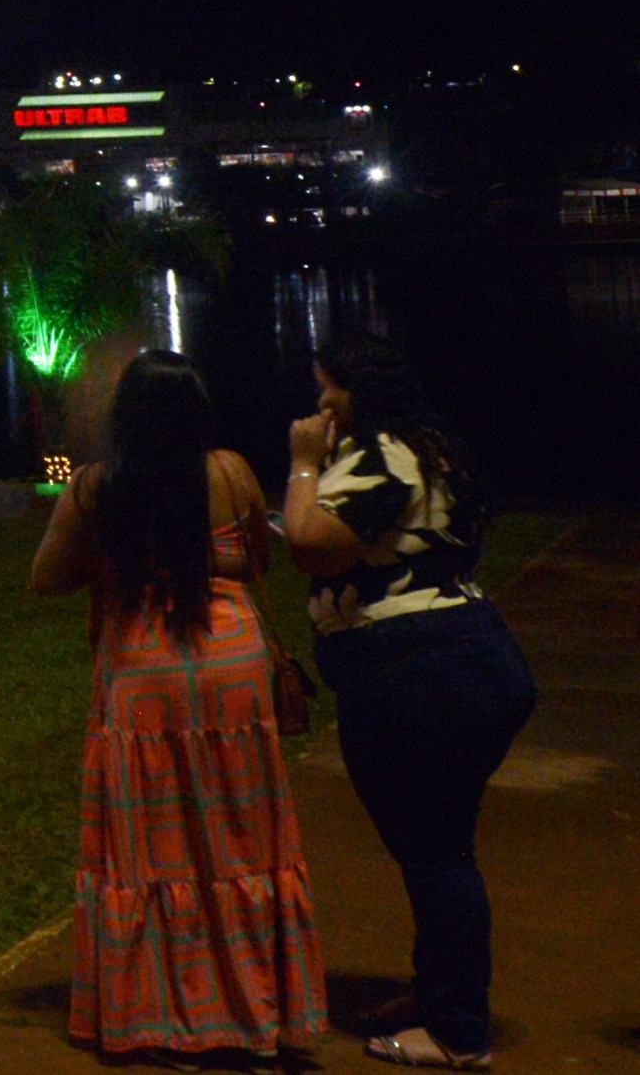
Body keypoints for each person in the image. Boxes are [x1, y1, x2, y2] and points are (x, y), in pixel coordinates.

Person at [30, 350, 327, 1065]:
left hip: (143, 671)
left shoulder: (97, 490)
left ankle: (160, 1020)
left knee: (154, 845)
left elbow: (47, 579)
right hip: (229, 663)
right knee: (239, 837)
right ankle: (253, 1013)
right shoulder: (229, 472)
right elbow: (255, 558)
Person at [283, 334, 534, 1071]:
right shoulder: (425, 449)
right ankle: (438, 995)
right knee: (432, 850)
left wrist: (301, 464)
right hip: (461, 661)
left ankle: (458, 1033)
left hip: (424, 674)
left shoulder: (381, 455)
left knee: (439, 855)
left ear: (359, 392)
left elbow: (308, 541)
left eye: (328, 388)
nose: (319, 404)